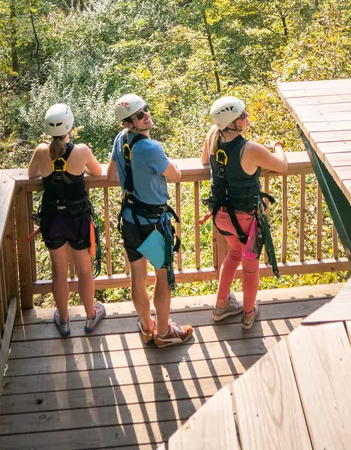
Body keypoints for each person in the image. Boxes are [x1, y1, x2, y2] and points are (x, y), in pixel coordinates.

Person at [107, 93, 194, 348]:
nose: (147, 116)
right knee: (163, 275)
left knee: (137, 275)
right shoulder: (151, 148)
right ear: (129, 123)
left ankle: (147, 327)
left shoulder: (120, 140)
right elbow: (175, 175)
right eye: (140, 115)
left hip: (130, 218)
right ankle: (164, 332)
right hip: (154, 223)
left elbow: (112, 174)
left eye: (146, 110)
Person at [202, 95, 287, 331]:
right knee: (250, 265)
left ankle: (221, 306)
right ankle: (248, 314)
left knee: (234, 253)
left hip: (221, 215)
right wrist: (278, 147)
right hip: (246, 217)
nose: (247, 117)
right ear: (233, 124)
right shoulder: (249, 149)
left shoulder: (213, 136)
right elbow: (282, 166)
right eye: (243, 115)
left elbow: (203, 159)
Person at [27, 103, 106, 337]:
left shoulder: (41, 151)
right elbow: (97, 173)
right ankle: (91, 316)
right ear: (69, 125)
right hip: (77, 219)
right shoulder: (81, 151)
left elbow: (31, 174)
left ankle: (63, 320)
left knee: (58, 270)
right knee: (84, 269)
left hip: (52, 219)